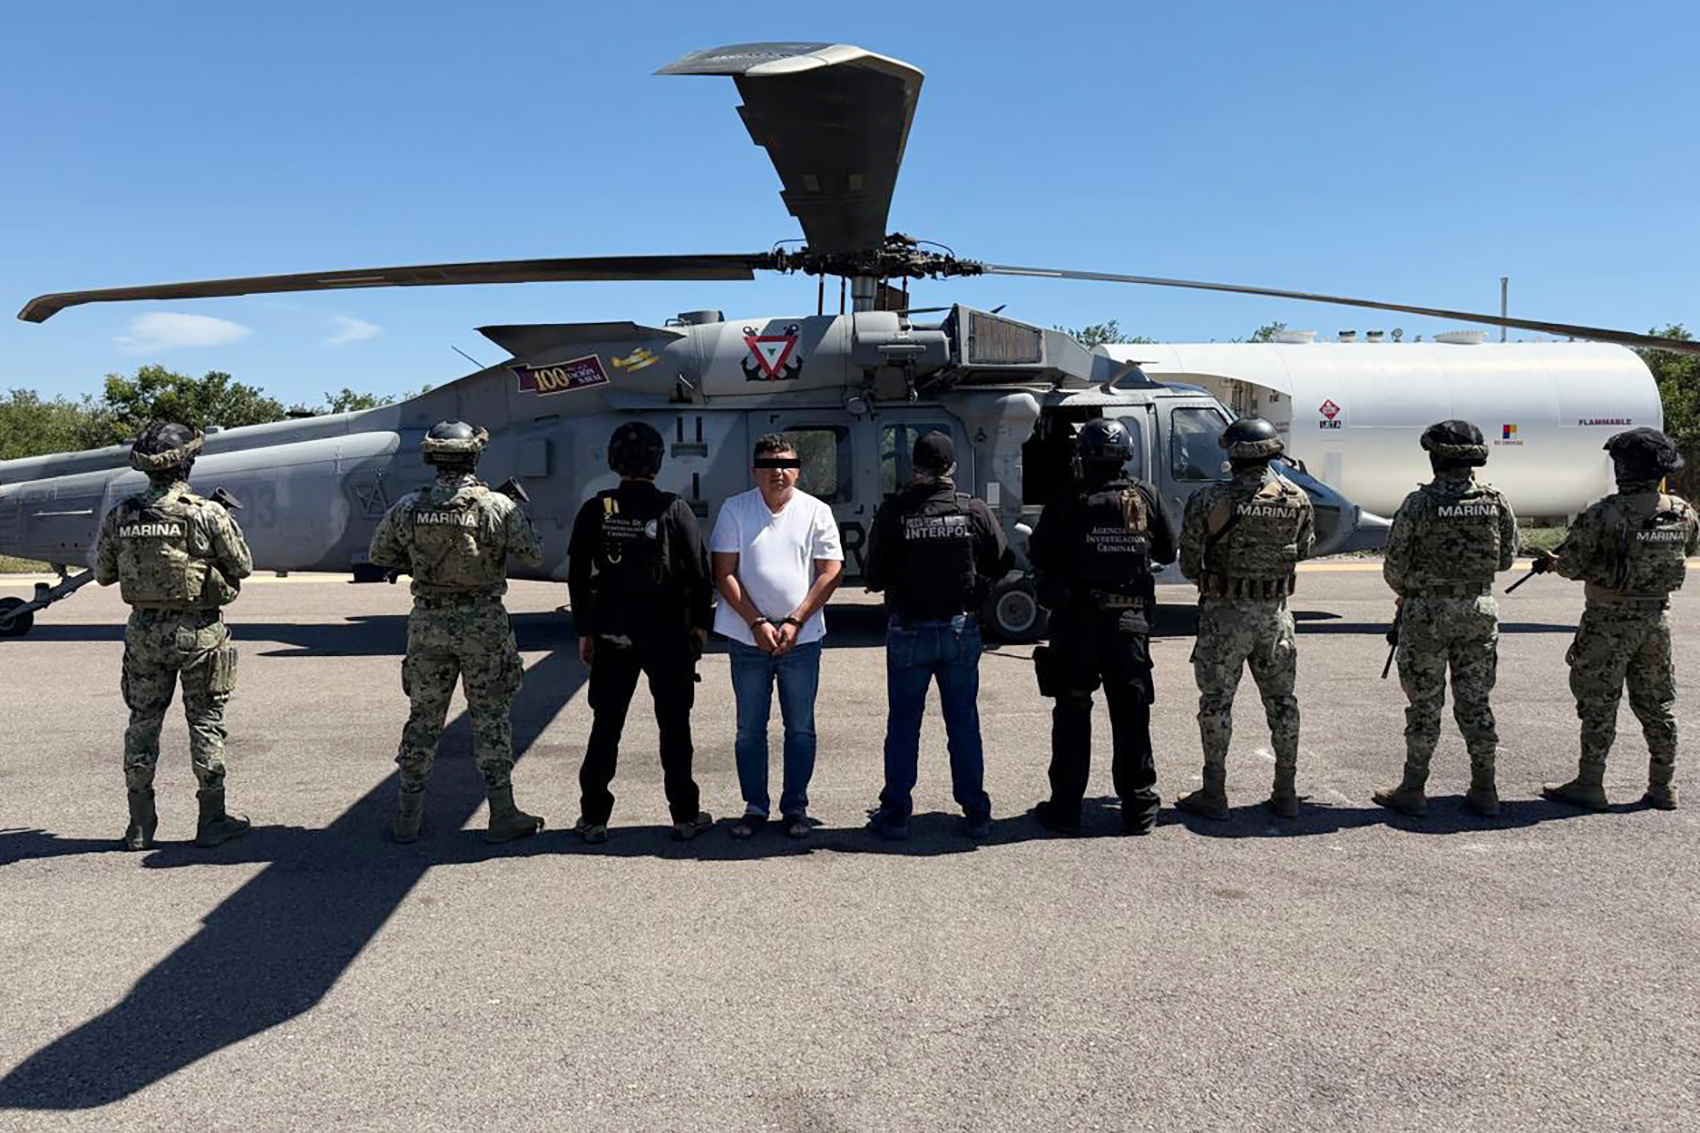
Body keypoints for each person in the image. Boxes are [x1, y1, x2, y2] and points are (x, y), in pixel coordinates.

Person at [368, 420, 546, 844]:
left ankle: (407, 816)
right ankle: (502, 812)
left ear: (432, 458)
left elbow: (379, 554)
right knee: (491, 719)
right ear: (474, 456)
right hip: (483, 624)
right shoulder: (497, 507)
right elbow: (534, 555)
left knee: (423, 720)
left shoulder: (408, 507)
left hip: (428, 623)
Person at [93, 422, 254, 850]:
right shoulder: (206, 512)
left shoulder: (123, 514)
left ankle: (139, 825)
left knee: (142, 723)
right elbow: (242, 566)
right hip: (199, 632)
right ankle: (212, 820)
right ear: (189, 462)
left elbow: (103, 573)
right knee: (206, 722)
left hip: (144, 633)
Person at [1533, 427, 1698, 811]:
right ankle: (1663, 785)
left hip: (1608, 620)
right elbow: (1687, 549)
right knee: (1658, 704)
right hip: (1656, 620)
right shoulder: (1682, 511)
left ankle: (1591, 783)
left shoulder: (1602, 513)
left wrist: (1554, 564)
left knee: (1598, 702)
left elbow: (1574, 565)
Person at [567, 422, 715, 842]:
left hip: (612, 634)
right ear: (657, 462)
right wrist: (700, 626)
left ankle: (594, 818)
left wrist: (585, 630)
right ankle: (685, 815)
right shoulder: (674, 509)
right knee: (674, 727)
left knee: (606, 726)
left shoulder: (597, 509)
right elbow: (700, 574)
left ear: (615, 462)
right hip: (668, 637)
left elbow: (578, 576)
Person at [1028, 418, 1175, 836]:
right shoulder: (1145, 496)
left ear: (1083, 454)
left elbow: (1041, 553)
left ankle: (1066, 809)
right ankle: (1140, 809)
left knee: (1073, 713)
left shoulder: (1067, 498)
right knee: (1132, 718)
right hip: (1130, 626)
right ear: (1126, 453)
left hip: (1077, 626)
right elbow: (1168, 548)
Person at [863, 431, 1011, 840]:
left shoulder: (894, 512)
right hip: (961, 628)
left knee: (904, 725)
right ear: (952, 468)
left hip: (909, 630)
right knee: (963, 723)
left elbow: (873, 574)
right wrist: (978, 588)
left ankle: (894, 815)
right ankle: (976, 812)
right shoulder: (972, 508)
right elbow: (1005, 561)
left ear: (914, 467)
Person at [1373, 421, 1518, 818]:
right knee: (1475, 702)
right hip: (1477, 610)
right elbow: (1506, 558)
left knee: (1425, 704)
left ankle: (1413, 788)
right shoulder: (1494, 500)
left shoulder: (1419, 504)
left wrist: (1416, 589)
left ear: (1435, 458)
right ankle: (1485, 789)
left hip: (1427, 614)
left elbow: (1394, 567)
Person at [1177, 416, 1315, 820]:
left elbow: (1188, 564)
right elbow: (1304, 549)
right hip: (1274, 617)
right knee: (1282, 704)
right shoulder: (1296, 497)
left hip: (1224, 618)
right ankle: (1286, 792)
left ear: (1230, 453)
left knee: (1217, 703)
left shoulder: (1208, 500)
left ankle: (1214, 794)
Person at [710, 433, 844, 839]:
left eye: (785, 464)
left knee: (800, 727)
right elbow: (724, 573)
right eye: (768, 466)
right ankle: (755, 805)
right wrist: (756, 623)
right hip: (747, 638)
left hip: (800, 640)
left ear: (798, 470)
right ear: (755, 471)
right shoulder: (735, 509)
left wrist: (796, 620)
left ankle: (795, 806)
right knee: (750, 728)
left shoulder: (817, 511)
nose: (778, 473)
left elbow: (830, 571)